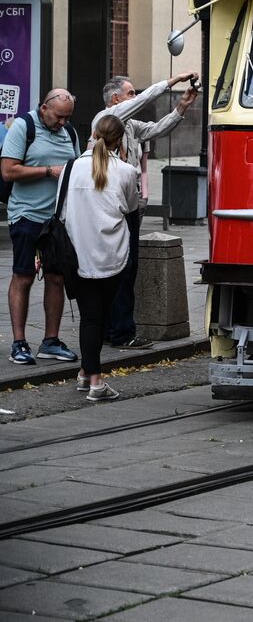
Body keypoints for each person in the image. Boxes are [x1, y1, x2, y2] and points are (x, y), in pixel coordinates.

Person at [96, 71, 201, 348]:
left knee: (128, 267)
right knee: (118, 266)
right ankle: (118, 330)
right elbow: (145, 99)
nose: (135, 98)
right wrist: (172, 82)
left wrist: (181, 108)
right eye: (131, 93)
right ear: (116, 99)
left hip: (130, 203)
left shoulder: (128, 125)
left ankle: (117, 327)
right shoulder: (106, 119)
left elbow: (155, 129)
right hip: (111, 204)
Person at [61, 115, 139, 401]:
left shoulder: (72, 168)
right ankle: (96, 382)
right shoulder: (127, 171)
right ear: (120, 141)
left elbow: (61, 211)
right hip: (111, 254)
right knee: (98, 316)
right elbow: (131, 208)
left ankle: (85, 373)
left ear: (93, 133)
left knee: (91, 316)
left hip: (77, 254)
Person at [2, 89, 81, 365]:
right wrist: (49, 171)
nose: (62, 123)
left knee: (57, 278)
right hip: (27, 215)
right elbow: (8, 170)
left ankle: (50, 341)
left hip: (56, 220)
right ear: (44, 108)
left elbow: (76, 169)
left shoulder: (69, 132)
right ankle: (19, 343)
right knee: (23, 277)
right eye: (59, 117)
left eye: (67, 117)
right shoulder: (24, 126)